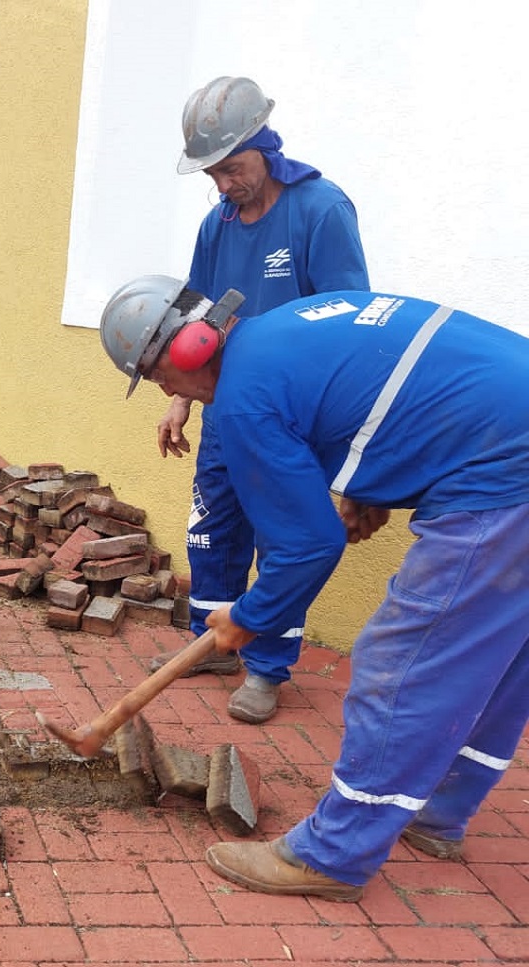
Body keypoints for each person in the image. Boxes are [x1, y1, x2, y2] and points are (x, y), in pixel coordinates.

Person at [99, 274, 529, 900]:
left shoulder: (242, 397)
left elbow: (306, 547)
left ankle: (331, 856)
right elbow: (383, 392)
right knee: (501, 658)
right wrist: (364, 487)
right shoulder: (286, 328)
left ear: (185, 354)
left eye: (158, 377)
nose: (167, 389)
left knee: (401, 664)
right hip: (510, 450)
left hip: (506, 482)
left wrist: (250, 616)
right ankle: (438, 813)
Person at [154, 76, 370, 725]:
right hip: (226, 407)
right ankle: (215, 644)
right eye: (212, 173)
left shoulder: (320, 211)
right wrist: (180, 403)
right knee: (212, 530)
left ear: (264, 144)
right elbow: (198, 323)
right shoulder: (215, 227)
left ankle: (269, 669)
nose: (223, 184)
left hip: (295, 417)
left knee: (283, 535)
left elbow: (349, 321)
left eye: (232, 168)